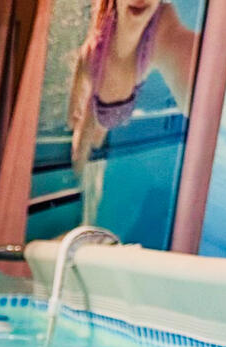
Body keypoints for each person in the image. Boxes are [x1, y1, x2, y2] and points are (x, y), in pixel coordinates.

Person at [66, 0, 199, 226]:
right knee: (83, 152)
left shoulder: (158, 34)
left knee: (98, 142)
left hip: (115, 111)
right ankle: (78, 216)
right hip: (98, 106)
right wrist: (73, 110)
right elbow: (82, 63)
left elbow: (180, 44)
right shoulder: (95, 50)